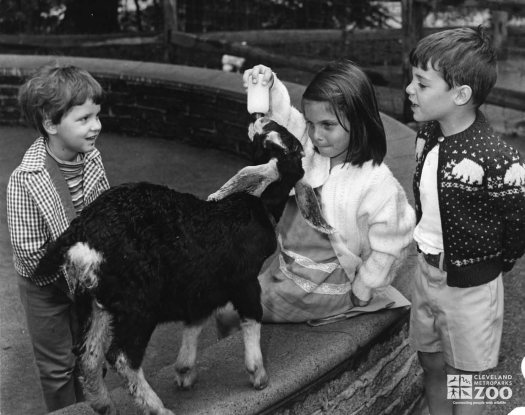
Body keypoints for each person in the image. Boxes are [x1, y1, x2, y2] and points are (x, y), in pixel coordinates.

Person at [218, 59, 414, 330]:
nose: (316, 135)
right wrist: (269, 85)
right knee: (230, 294)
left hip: (323, 286)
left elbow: (392, 240)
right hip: (289, 268)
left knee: (229, 310)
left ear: (358, 122)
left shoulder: (376, 182)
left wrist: (365, 286)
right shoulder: (311, 150)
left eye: (327, 125)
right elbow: (285, 119)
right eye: (310, 123)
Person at [406, 26, 525, 415]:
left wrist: (491, 266)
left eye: (422, 84)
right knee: (432, 362)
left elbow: (517, 225)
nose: (409, 89)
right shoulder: (427, 134)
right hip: (426, 273)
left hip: (473, 285)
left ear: (460, 95)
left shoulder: (500, 158)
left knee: (470, 379)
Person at [6, 64, 110, 412]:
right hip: (45, 287)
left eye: (96, 115)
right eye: (83, 119)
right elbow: (33, 259)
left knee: (92, 355)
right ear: (51, 124)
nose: (96, 126)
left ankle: (91, 407)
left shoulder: (92, 158)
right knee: (56, 369)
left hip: (86, 280)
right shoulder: (25, 179)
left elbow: (105, 215)